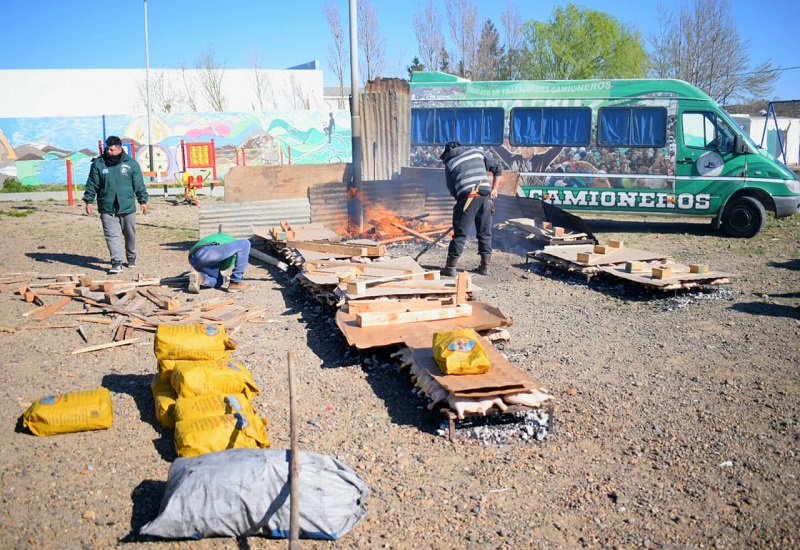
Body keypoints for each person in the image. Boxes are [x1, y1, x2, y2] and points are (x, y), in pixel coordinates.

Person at [83, 136, 148, 274]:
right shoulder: (99, 163)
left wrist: (143, 200)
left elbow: (138, 184)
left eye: (111, 149)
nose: (108, 151)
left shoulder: (131, 164)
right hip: (107, 206)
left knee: (129, 234)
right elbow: (92, 183)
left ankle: (131, 257)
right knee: (112, 235)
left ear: (119, 149)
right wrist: (89, 200)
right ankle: (116, 262)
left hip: (127, 206)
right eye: (107, 148)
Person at [439, 141, 503, 276]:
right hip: (486, 197)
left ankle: (450, 268)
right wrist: (495, 189)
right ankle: (485, 267)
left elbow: (452, 188)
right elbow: (498, 167)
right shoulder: (477, 152)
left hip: (467, 198)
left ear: (448, 151)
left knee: (460, 234)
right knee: (485, 232)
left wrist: (462, 207)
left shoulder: (449, 162)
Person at [187, 233, 252, 293]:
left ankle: (201, 279)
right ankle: (235, 282)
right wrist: (233, 278)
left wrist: (225, 278)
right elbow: (226, 265)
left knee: (219, 281)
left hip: (193, 259)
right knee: (245, 243)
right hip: (207, 250)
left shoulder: (221, 240)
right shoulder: (232, 242)